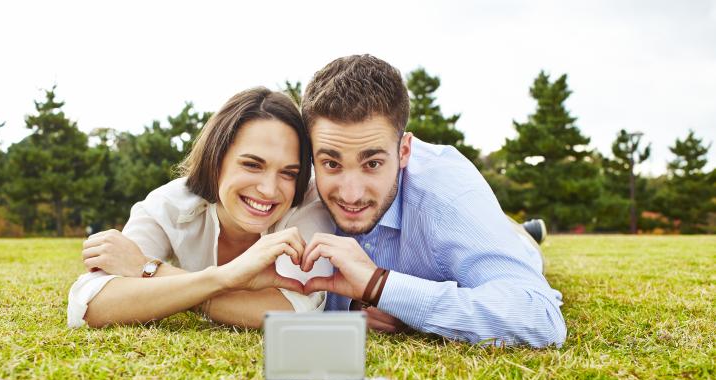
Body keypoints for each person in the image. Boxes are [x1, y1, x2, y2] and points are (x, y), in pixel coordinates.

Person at [298, 55, 567, 348]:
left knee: (521, 244)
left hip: (488, 230)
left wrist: (382, 286)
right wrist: (355, 306)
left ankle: (525, 232)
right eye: (331, 164)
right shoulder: (302, 189)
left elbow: (541, 317)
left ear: (404, 151)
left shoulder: (448, 197)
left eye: (372, 164)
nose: (351, 194)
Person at [67, 87, 334, 329]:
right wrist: (223, 280)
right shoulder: (168, 204)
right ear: (215, 160)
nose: (268, 189)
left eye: (288, 173)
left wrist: (150, 270)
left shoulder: (307, 204)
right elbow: (91, 304)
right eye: (252, 165)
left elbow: (300, 314)